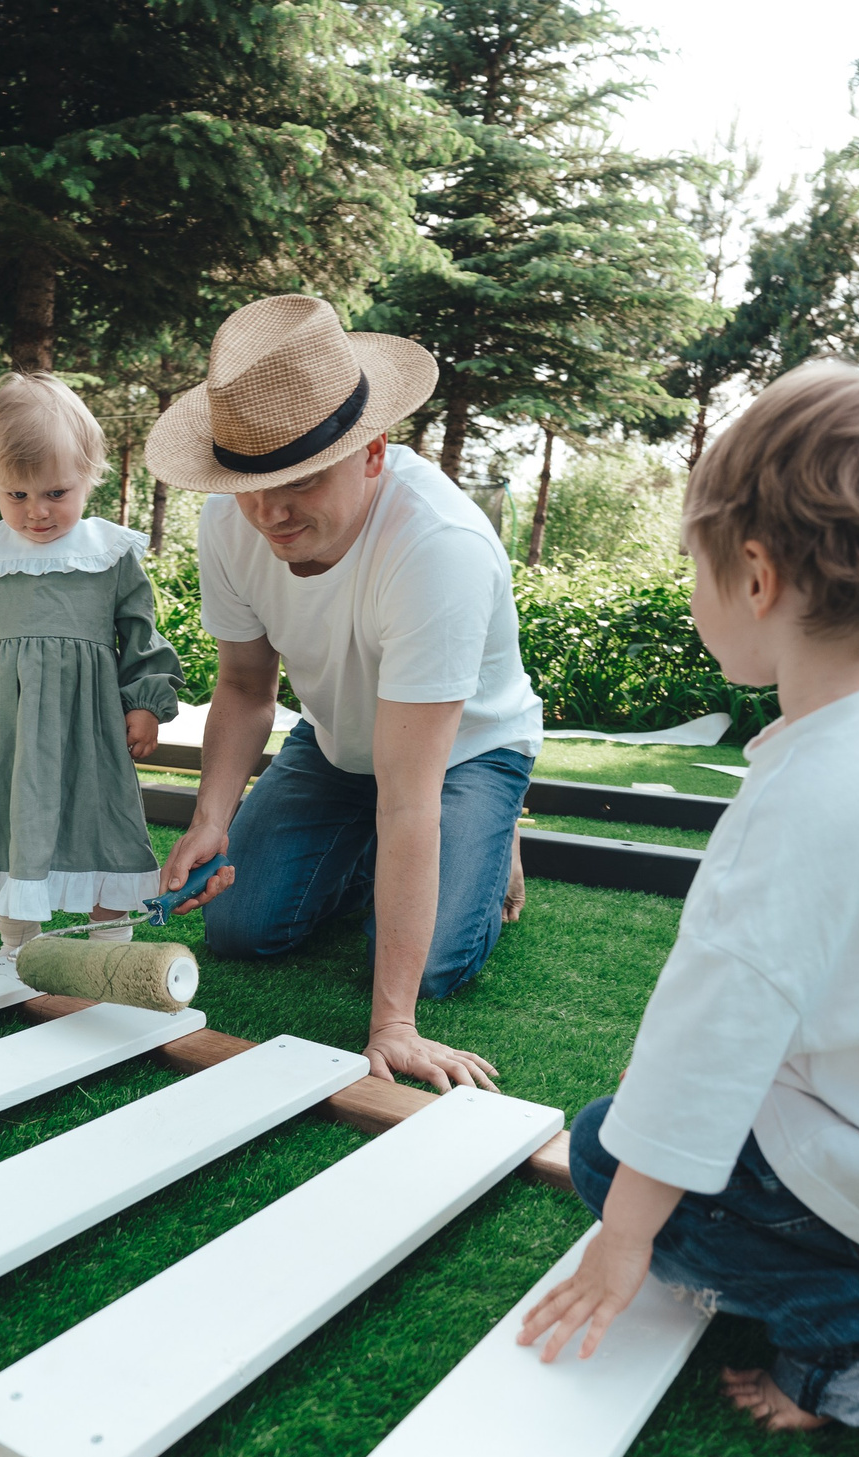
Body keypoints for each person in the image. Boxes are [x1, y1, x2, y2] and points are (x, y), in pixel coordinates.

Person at [515, 363, 859, 1431]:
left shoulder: (805, 803)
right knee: (668, 1132)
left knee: (605, 1147)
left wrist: (623, 1241)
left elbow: (707, 1045)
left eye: (692, 567)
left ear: (756, 576)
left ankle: (857, 1336)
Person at [142, 295, 544, 1091]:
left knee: (428, 965)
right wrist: (212, 818)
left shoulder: (440, 547)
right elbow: (245, 684)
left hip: (460, 755)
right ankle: (391, 849)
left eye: (301, 479)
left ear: (372, 453)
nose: (271, 513)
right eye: (251, 482)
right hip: (335, 742)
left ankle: (492, 832)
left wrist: (393, 1026)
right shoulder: (229, 523)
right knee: (239, 927)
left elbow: (409, 798)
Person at [0, 371, 184, 954]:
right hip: (4, 725)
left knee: (103, 817)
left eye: (55, 493)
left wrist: (145, 702)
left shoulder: (108, 555)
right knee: (9, 818)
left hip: (88, 724)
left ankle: (109, 945)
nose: (36, 512)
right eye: (16, 496)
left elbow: (139, 632)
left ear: (89, 478)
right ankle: (18, 947)